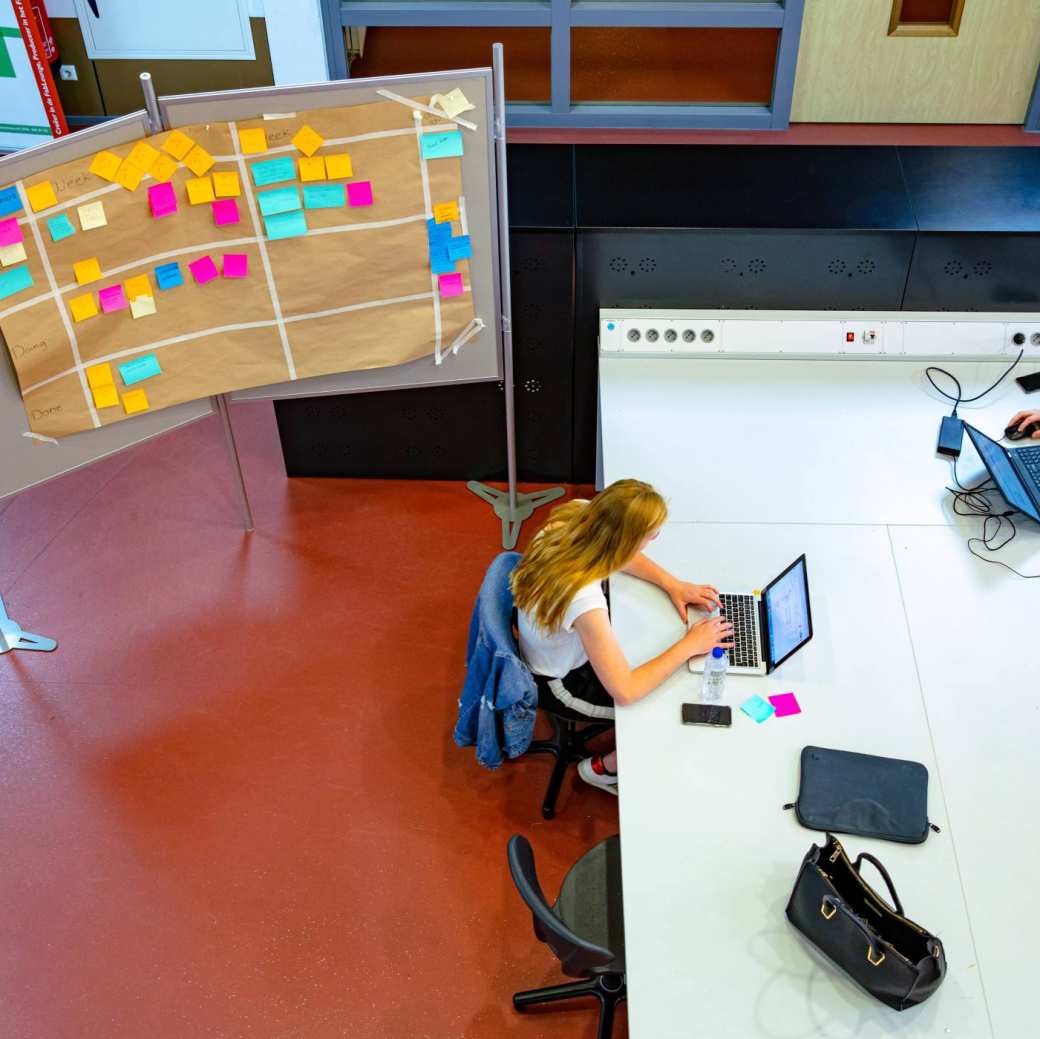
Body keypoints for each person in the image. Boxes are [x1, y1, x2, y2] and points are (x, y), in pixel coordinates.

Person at [511, 479, 733, 796]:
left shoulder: (579, 515)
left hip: (548, 645)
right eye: (650, 534)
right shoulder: (583, 600)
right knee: (660, 707)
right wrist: (690, 645)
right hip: (562, 683)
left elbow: (618, 553)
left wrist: (673, 584)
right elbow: (626, 690)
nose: (655, 537)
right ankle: (600, 770)